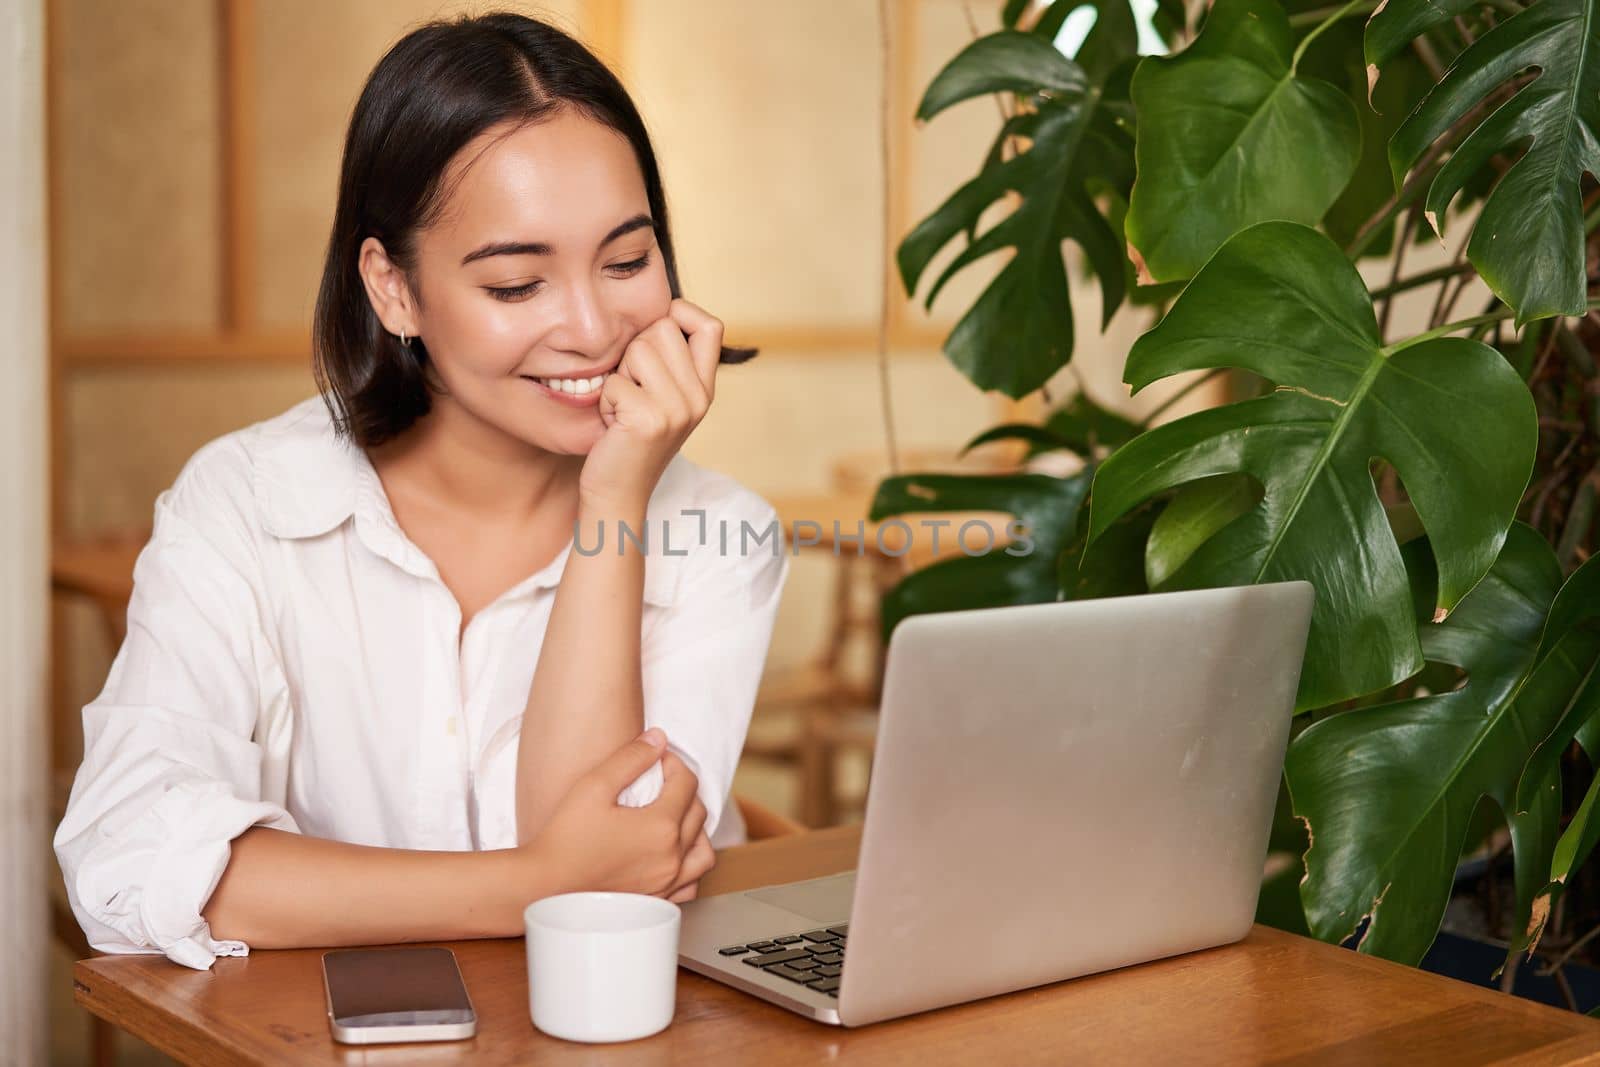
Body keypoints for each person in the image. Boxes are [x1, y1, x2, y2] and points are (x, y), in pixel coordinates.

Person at [53, 11, 789, 971]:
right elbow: (125, 856)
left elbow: (614, 887)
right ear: (392, 288)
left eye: (626, 261)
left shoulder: (721, 533)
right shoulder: (245, 502)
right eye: (518, 284)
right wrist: (530, 884)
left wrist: (613, 502)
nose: (593, 326)